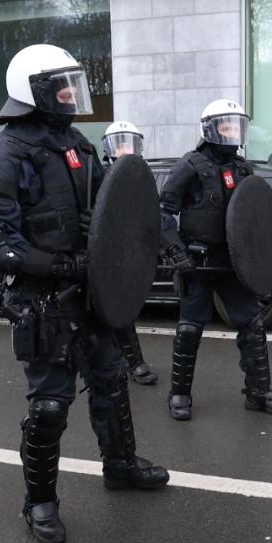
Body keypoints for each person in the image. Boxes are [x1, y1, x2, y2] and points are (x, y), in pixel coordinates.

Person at [0, 45, 169, 543]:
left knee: (110, 380)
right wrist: (64, 264)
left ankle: (120, 466)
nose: (68, 95)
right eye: (59, 87)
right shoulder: (5, 154)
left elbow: (113, 208)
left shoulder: (77, 142)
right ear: (31, 91)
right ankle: (40, 501)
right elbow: (1, 245)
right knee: (50, 407)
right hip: (44, 302)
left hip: (92, 294)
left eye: (70, 85)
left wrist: (146, 242)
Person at [160, 100, 272, 420]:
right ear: (210, 129)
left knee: (253, 325)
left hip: (234, 263)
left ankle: (258, 392)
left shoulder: (243, 168)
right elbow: (163, 212)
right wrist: (175, 251)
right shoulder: (190, 165)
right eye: (226, 126)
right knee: (190, 330)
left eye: (236, 125)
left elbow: (255, 217)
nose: (233, 131)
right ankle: (179, 394)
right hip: (198, 263)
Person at [101, 121, 158, 386]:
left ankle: (133, 361)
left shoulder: (141, 176)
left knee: (123, 312)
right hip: (103, 254)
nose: (125, 148)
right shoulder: (98, 174)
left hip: (129, 253)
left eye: (129, 142)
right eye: (120, 143)